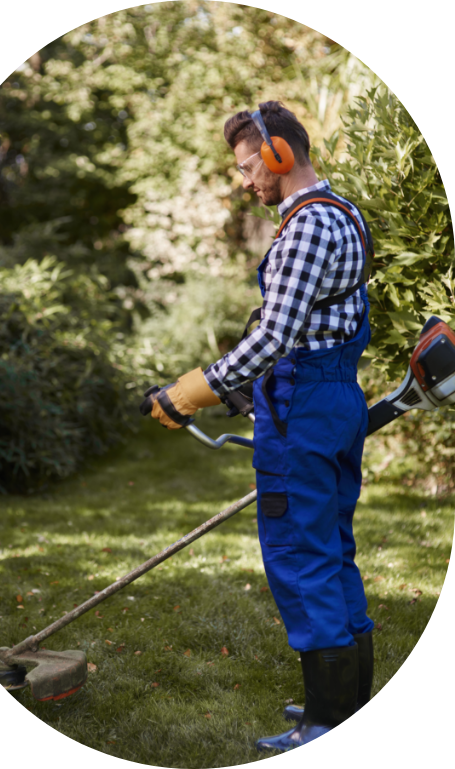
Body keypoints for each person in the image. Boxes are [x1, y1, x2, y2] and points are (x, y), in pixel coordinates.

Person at [140, 101, 375, 752]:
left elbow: (275, 334)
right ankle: (345, 701)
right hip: (332, 395)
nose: (244, 181)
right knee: (332, 547)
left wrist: (192, 391)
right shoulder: (343, 213)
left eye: (248, 167)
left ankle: (323, 722)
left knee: (302, 556)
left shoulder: (303, 228)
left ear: (278, 155)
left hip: (303, 406)